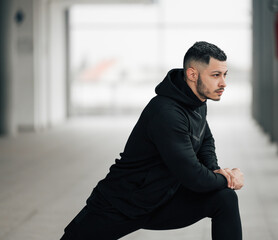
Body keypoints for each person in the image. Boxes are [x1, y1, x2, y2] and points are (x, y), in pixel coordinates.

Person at [61, 41, 244, 240]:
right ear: (192, 74)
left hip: (165, 200)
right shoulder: (166, 112)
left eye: (225, 75)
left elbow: (205, 140)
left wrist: (216, 170)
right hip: (123, 203)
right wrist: (227, 178)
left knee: (224, 198)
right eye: (216, 75)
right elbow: (194, 176)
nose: (223, 83)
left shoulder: (197, 102)